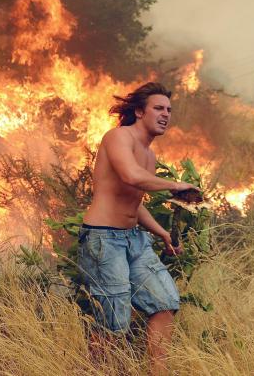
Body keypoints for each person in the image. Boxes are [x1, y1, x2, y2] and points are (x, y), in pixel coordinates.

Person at [79, 82, 202, 375]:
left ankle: (157, 371)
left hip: (135, 240)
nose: (165, 115)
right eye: (158, 108)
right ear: (139, 111)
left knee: (165, 300)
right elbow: (130, 176)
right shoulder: (119, 137)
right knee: (113, 320)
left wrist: (161, 233)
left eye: (169, 110)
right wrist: (176, 185)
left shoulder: (149, 154)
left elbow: (134, 201)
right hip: (104, 239)